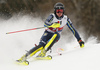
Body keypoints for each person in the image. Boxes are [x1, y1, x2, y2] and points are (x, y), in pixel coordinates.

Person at [17, 2, 84, 63]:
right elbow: (46, 23)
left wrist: (79, 40)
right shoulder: (52, 16)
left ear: (63, 11)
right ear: (55, 11)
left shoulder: (66, 19)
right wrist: (52, 25)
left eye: (61, 11)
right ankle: (23, 58)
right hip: (47, 34)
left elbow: (73, 29)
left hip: (55, 36)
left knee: (57, 34)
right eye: (58, 11)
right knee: (40, 46)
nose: (59, 13)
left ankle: (43, 53)